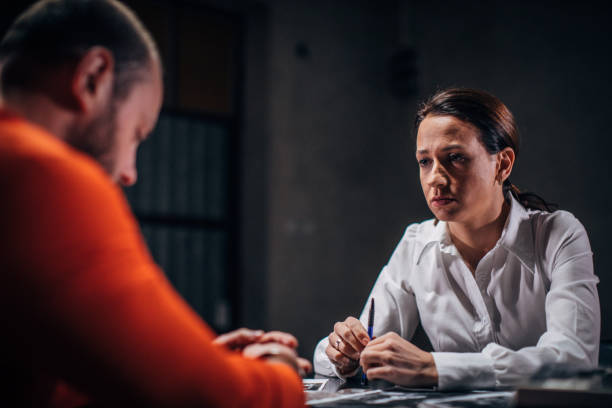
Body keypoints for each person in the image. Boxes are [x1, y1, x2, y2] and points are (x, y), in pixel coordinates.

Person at [0, 0, 309, 406]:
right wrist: (282, 374)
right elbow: (211, 400)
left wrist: (198, 360)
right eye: (137, 134)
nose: (131, 173)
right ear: (93, 78)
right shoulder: (41, 173)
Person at [313, 88, 600, 390]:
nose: (435, 178)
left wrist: (435, 367)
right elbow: (360, 350)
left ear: (502, 164)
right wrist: (343, 353)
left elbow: (574, 360)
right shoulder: (416, 244)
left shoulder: (558, 235)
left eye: (455, 158)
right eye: (425, 162)